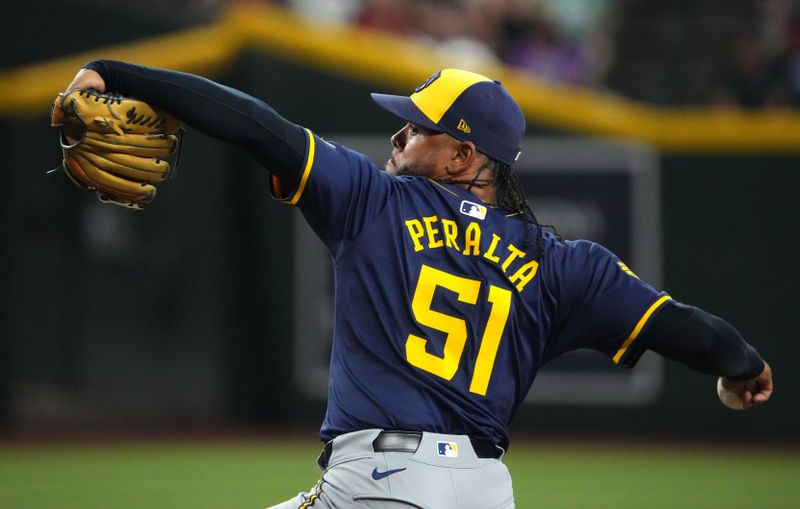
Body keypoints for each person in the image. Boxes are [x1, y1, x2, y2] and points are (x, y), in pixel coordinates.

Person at [60, 63, 773, 508]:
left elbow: (256, 125)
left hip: (380, 482)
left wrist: (116, 73)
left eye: (415, 128)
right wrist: (742, 366)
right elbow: (685, 326)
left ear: (463, 155)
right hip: (486, 492)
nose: (396, 137)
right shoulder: (566, 265)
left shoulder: (372, 200)